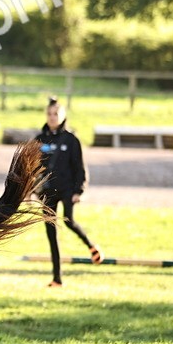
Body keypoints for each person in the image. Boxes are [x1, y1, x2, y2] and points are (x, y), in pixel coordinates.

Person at [36, 96, 102, 287]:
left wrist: (79, 191)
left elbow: (79, 167)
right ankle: (57, 278)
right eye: (49, 113)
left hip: (67, 189)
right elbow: (32, 168)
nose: (52, 117)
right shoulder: (39, 140)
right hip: (47, 191)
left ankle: (91, 246)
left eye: (56, 113)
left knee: (69, 221)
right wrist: (30, 190)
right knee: (51, 233)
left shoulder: (71, 140)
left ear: (63, 115)